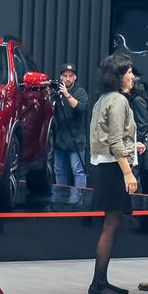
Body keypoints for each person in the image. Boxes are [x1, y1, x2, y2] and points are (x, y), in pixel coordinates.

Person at [87, 54, 143, 294]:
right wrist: (128, 173)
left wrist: (133, 146)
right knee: (111, 226)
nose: (132, 76)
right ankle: (98, 283)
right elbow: (115, 141)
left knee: (111, 224)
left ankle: (101, 280)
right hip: (113, 168)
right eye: (129, 72)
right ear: (118, 75)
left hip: (105, 166)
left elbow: (107, 136)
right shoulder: (119, 100)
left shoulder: (103, 99)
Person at [51, 63, 89, 206]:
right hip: (59, 140)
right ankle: (60, 200)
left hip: (76, 140)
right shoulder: (56, 92)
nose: (67, 79)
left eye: (70, 76)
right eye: (65, 76)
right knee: (59, 170)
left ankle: (78, 201)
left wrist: (66, 94)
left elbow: (81, 108)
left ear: (75, 77)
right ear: (61, 77)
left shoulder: (80, 92)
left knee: (78, 171)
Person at [129, 78, 148, 194]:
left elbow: (143, 124)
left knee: (135, 174)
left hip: (138, 142)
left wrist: (137, 142)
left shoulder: (137, 100)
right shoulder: (137, 99)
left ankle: (136, 201)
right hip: (136, 141)